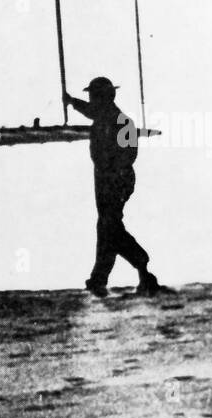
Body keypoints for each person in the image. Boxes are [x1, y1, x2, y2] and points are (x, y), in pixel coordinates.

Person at [63, 77, 160, 296]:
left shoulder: (121, 121)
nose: (91, 100)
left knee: (110, 227)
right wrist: (72, 101)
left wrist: (114, 174)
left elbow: (129, 155)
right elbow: (89, 110)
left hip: (117, 181)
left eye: (93, 96)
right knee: (107, 227)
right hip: (105, 180)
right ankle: (102, 278)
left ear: (103, 98)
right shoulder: (103, 116)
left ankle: (139, 266)